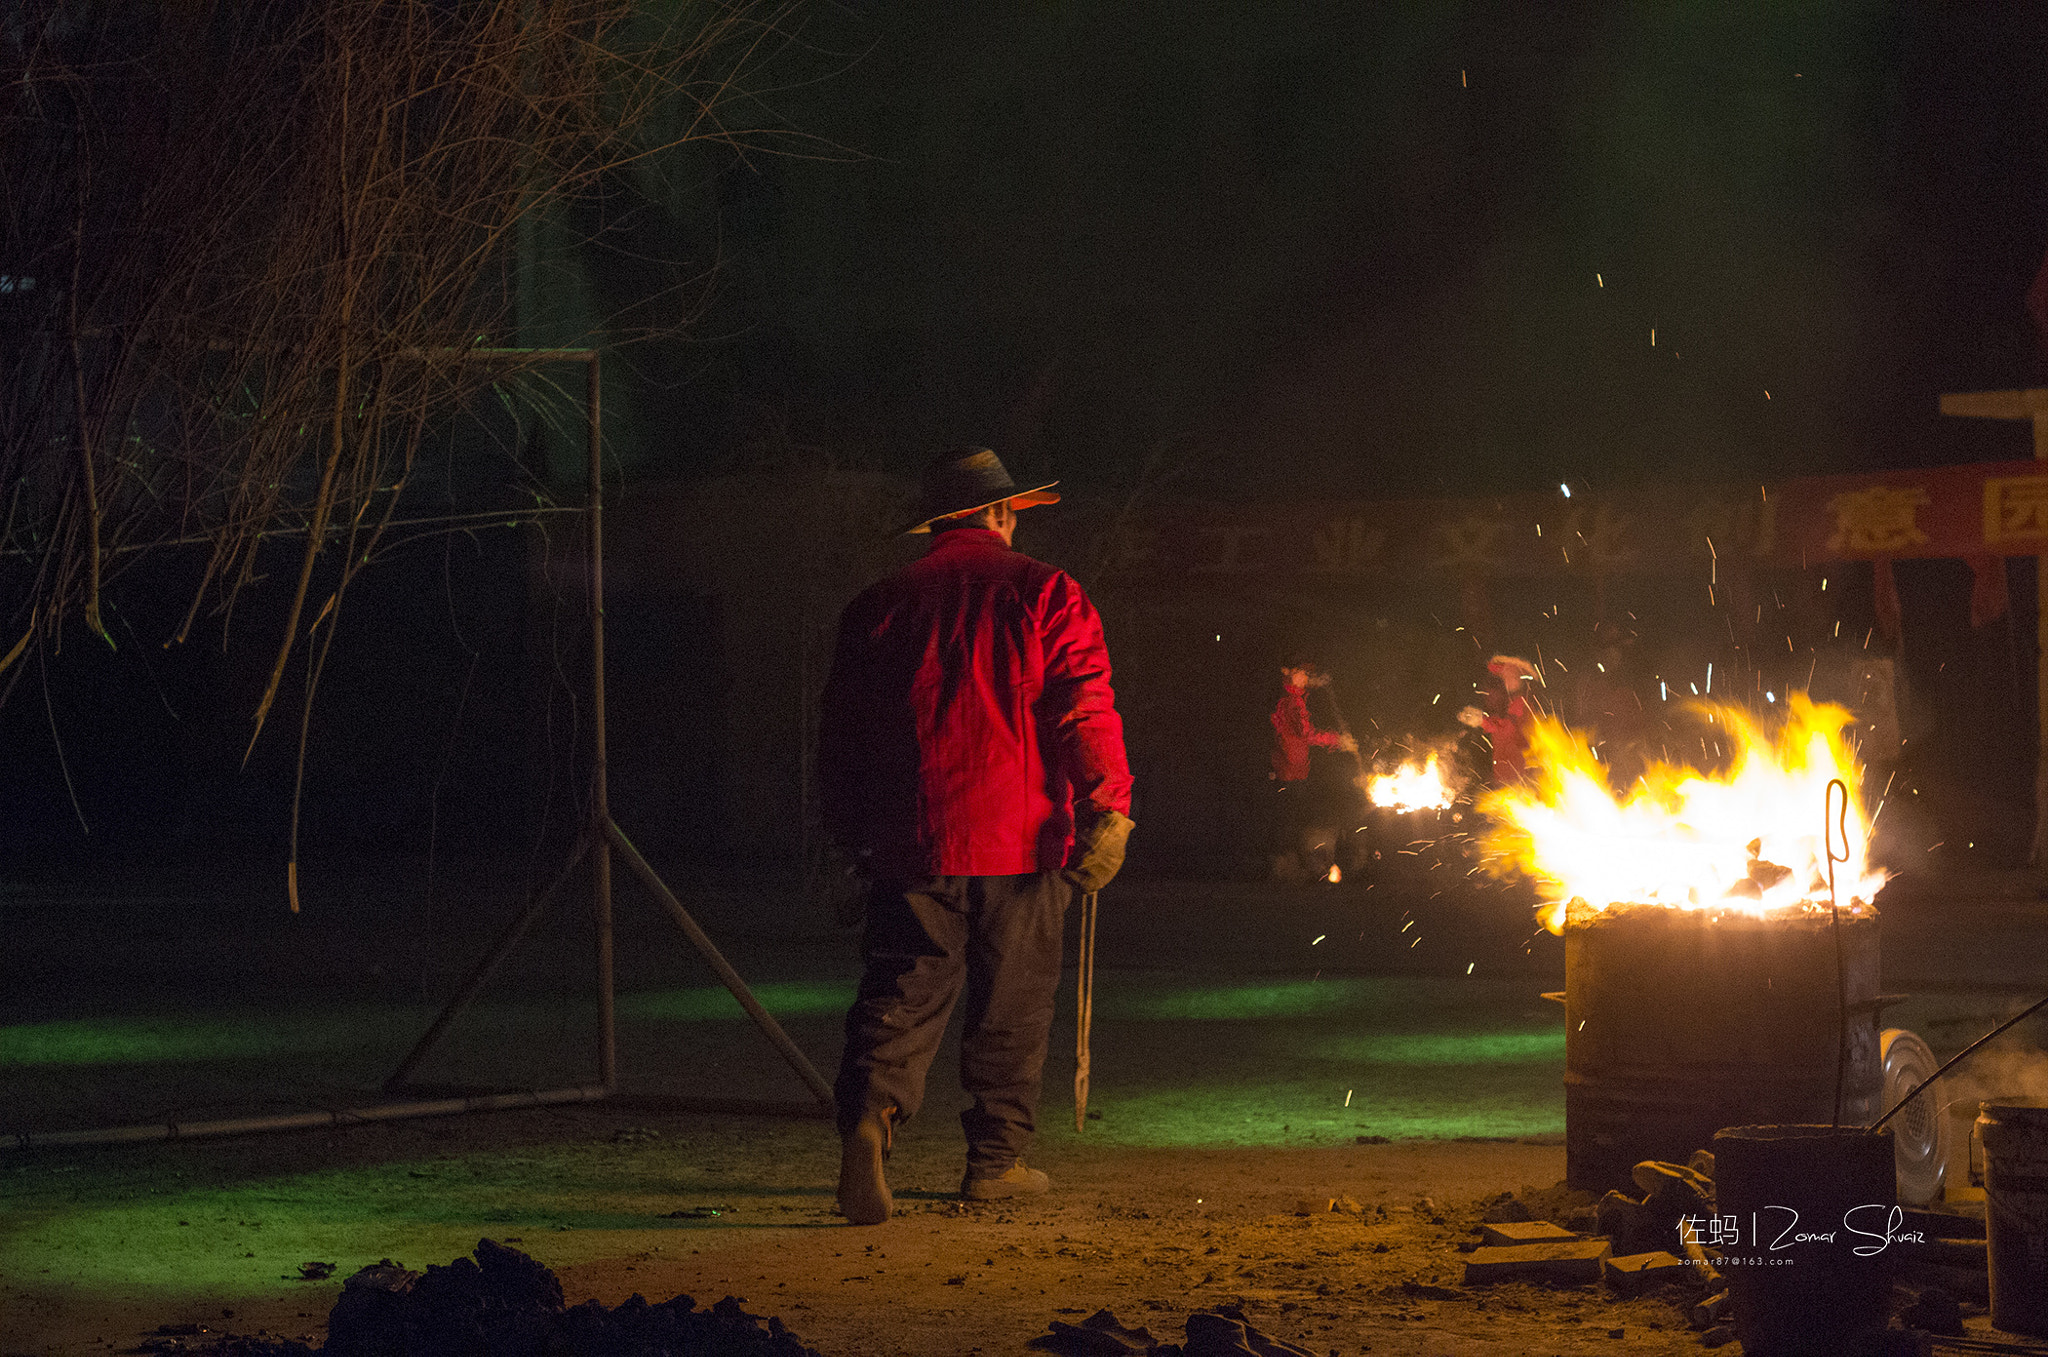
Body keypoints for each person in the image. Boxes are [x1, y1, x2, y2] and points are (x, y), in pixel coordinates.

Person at [819, 447, 1135, 1226]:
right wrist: (1109, 808)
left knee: (901, 993)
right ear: (999, 514)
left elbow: (843, 737)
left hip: (914, 839)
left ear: (937, 522)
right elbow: (1082, 708)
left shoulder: (878, 605)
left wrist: (850, 839)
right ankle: (995, 1164)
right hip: (1026, 843)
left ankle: (870, 1123)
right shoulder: (1049, 593)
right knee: (1013, 1008)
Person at [1268, 656, 1356, 880]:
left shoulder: (1292, 698)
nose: (1306, 677)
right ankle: (1290, 869)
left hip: (1291, 767)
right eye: (1302, 673)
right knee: (1293, 820)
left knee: (1291, 819)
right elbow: (1307, 734)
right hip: (1292, 769)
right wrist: (1336, 740)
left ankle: (1290, 867)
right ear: (1292, 674)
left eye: (1308, 674)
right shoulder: (1293, 702)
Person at [1458, 654, 1539, 786]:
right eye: (1505, 675)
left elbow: (1507, 729)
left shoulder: (1522, 702)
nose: (1508, 679)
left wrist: (1482, 721)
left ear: (1520, 677)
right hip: (1506, 770)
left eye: (1512, 675)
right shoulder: (1510, 701)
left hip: (1517, 773)